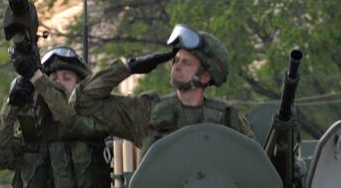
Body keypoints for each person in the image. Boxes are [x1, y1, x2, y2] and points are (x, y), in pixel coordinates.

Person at [0, 46, 113, 188]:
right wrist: (11, 105)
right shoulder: (32, 137)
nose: (58, 83)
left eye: (66, 77)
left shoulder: (95, 127)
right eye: (52, 78)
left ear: (80, 84)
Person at [70, 25, 255, 150]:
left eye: (187, 63)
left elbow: (253, 165)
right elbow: (82, 101)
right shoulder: (147, 112)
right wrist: (128, 67)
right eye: (176, 61)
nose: (177, 66)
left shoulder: (228, 120)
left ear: (206, 76)